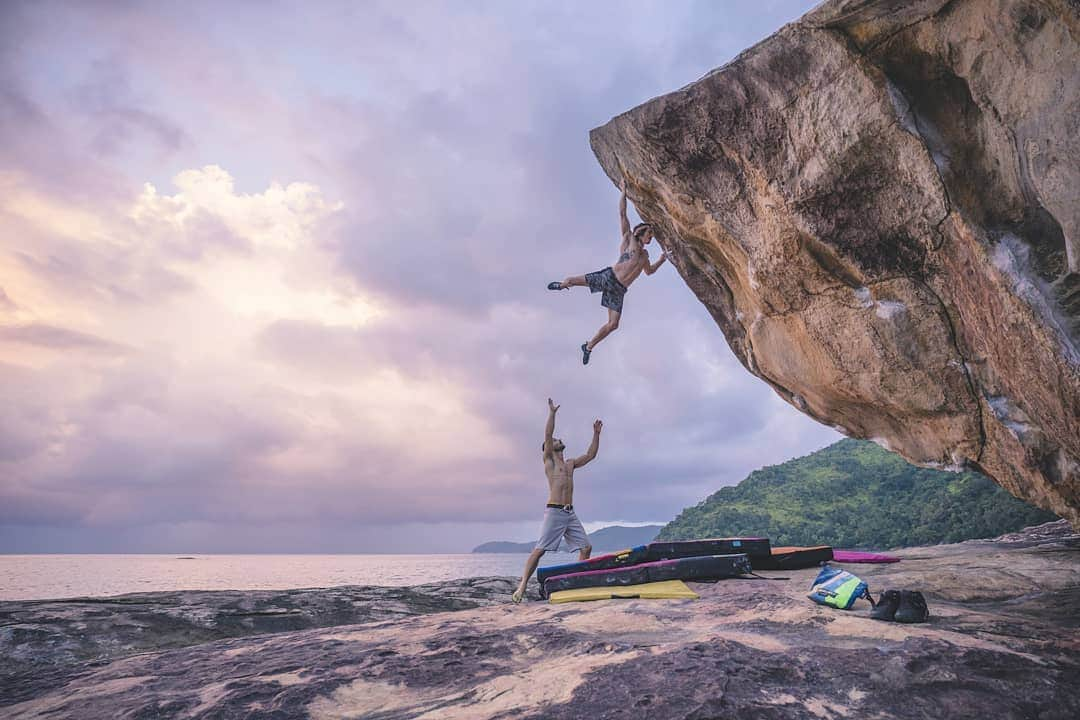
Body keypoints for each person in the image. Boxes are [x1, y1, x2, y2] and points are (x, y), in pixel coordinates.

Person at [547, 178, 668, 364]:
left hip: (619, 290)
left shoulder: (645, 257)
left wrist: (661, 259)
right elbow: (622, 214)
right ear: (641, 233)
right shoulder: (629, 240)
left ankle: (588, 346)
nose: (652, 237)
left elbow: (649, 272)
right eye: (650, 234)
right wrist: (623, 192)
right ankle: (563, 285)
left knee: (613, 325)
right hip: (609, 277)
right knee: (573, 281)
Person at [511, 398, 602, 603]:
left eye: (558, 440)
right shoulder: (550, 462)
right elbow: (548, 435)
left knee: (586, 548)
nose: (558, 440)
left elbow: (590, 455)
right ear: (549, 449)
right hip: (554, 511)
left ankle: (577, 581)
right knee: (540, 549)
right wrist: (552, 413)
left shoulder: (570, 464)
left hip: (570, 513)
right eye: (554, 441)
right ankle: (522, 585)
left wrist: (596, 434)